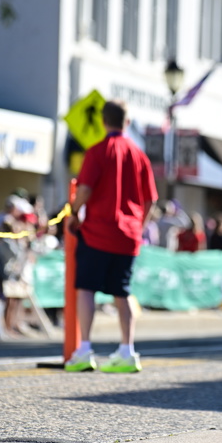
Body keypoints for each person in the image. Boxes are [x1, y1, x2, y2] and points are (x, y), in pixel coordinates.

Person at [66, 99, 158, 373]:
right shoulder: (139, 154)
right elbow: (151, 199)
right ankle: (127, 350)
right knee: (122, 291)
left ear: (103, 121)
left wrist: (74, 213)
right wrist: (138, 226)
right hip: (128, 235)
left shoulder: (97, 151)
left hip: (97, 230)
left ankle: (84, 350)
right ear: (127, 122)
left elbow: (84, 190)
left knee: (86, 288)